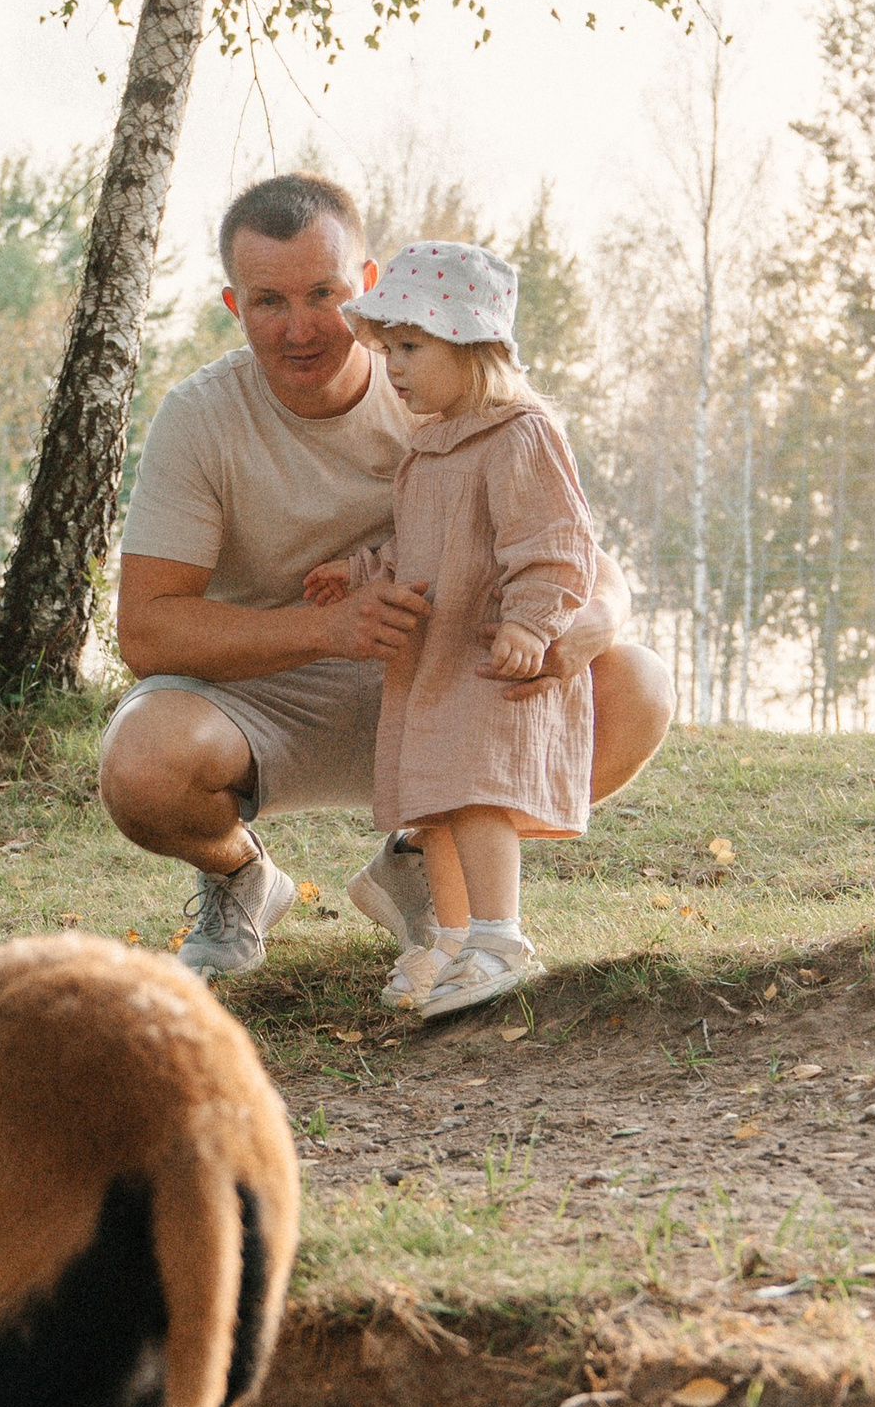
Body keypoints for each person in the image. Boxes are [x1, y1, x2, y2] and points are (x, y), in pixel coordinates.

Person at [99, 172, 670, 978]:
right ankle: (240, 877)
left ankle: (423, 864)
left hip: (442, 682)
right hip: (265, 700)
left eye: (323, 294)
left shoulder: (445, 382)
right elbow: (147, 629)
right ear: (235, 306)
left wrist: (597, 618)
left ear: (368, 286)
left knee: (637, 686)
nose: (300, 328)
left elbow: (568, 543)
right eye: (268, 302)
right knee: (141, 763)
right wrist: (326, 628)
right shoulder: (199, 417)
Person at [304, 238, 599, 1020]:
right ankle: (453, 938)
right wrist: (361, 570)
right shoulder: (432, 446)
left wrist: (533, 623)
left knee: (475, 795)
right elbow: (419, 548)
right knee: (431, 802)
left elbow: (555, 543)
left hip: (486, 657)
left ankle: (501, 936)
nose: (392, 368)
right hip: (429, 664)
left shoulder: (520, 435)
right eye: (388, 349)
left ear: (470, 345)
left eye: (411, 348)